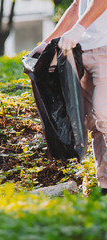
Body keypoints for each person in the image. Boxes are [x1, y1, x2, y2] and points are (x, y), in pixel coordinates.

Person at [29, 0, 107, 193]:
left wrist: (79, 28)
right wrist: (46, 42)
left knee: (104, 113)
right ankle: (105, 185)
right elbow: (76, 6)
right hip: (82, 51)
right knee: (93, 121)